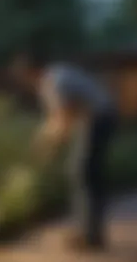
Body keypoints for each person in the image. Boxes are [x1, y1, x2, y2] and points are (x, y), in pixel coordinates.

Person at [31, 62, 118, 252]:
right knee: (87, 174)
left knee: (81, 172)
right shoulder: (58, 75)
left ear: (30, 72)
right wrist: (46, 141)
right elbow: (60, 119)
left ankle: (89, 235)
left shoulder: (53, 82)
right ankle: (91, 233)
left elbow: (63, 119)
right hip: (101, 116)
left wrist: (48, 148)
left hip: (99, 118)